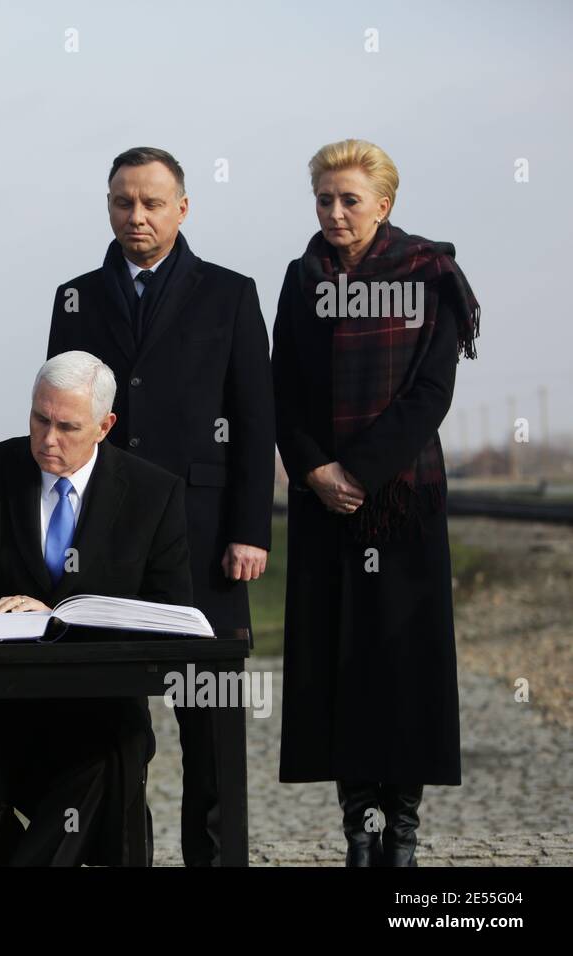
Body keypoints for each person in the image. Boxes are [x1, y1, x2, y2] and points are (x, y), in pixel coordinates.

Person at [46, 147, 275, 865]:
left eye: (151, 202)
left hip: (206, 538)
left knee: (209, 720)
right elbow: (61, 419)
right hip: (106, 537)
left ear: (183, 207)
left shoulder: (229, 294)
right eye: (122, 202)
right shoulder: (75, 295)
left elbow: (255, 417)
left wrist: (248, 528)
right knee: (111, 723)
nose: (136, 216)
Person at [0, 351, 193, 866]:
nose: (48, 438)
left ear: (105, 425)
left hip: (97, 713)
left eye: (67, 426)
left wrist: (55, 616)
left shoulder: (154, 493)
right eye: (39, 419)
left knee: (108, 766)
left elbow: (167, 615)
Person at [272, 139, 479, 866]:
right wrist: (317, 472)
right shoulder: (302, 280)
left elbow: (431, 393)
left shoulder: (429, 274)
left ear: (383, 204)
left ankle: (405, 828)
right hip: (323, 505)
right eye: (324, 199)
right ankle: (359, 824)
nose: (334, 211)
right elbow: (285, 390)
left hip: (403, 504)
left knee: (403, 665)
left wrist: (357, 473)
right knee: (340, 664)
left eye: (349, 199)